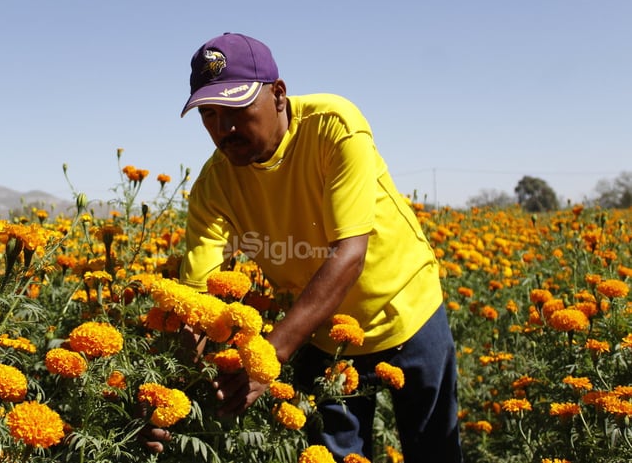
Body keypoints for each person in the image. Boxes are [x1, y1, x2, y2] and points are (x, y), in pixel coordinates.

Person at [173, 32, 463, 462]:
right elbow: (197, 300)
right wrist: (173, 391)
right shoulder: (214, 186)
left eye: (236, 108)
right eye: (210, 115)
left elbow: (349, 255)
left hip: (406, 313)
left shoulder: (334, 126)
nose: (224, 129)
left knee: (433, 452)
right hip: (323, 335)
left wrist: (267, 357)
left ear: (278, 94)